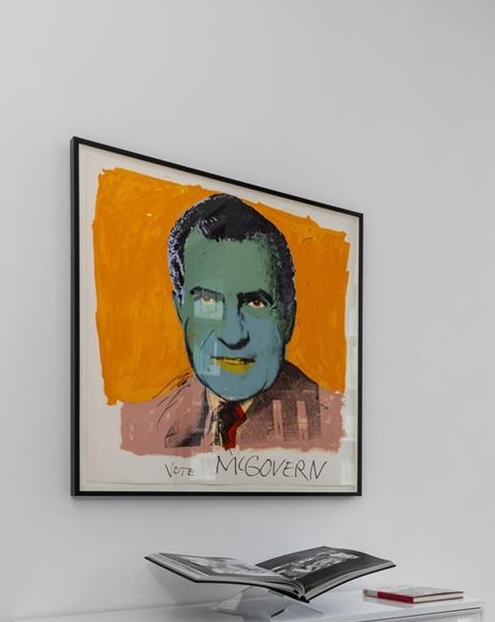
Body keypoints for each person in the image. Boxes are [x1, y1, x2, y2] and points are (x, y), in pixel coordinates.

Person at [121, 194, 341, 454]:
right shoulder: (147, 426)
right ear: (181, 311)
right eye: (207, 301)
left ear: (288, 318)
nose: (233, 335)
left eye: (255, 303)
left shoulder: (334, 422)